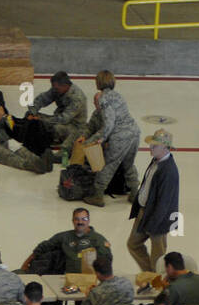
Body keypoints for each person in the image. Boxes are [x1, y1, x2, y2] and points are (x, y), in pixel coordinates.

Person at [78, 70, 140, 207]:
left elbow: (109, 121)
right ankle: (135, 193)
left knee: (108, 164)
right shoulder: (118, 96)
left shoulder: (103, 98)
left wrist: (101, 138)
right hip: (134, 132)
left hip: (120, 136)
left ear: (98, 82)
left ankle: (98, 195)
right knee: (128, 164)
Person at [0, 84, 53, 175]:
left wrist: (9, 120)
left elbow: (7, 123)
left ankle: (41, 162)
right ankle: (33, 166)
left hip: (4, 138)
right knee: (11, 157)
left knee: (20, 150)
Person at [20, 208, 109, 274]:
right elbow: (42, 248)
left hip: (90, 279)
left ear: (89, 220)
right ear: (72, 221)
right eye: (76, 219)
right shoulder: (64, 237)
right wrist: (25, 264)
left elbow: (107, 262)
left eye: (84, 219)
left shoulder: (98, 240)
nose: (80, 222)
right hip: (67, 278)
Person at [26, 71, 88, 148]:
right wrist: (32, 113)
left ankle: (55, 140)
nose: (54, 90)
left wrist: (41, 120)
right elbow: (42, 99)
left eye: (56, 88)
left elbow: (64, 119)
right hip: (59, 120)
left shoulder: (77, 98)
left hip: (74, 126)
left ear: (65, 85)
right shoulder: (57, 89)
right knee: (29, 115)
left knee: (55, 128)